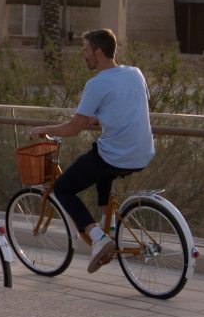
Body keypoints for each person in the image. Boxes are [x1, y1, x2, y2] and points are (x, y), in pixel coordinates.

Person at [26, 28, 154, 273]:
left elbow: (73, 129)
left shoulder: (96, 84)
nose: (83, 55)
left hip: (116, 154)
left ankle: (99, 238)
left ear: (98, 52)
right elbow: (129, 105)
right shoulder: (135, 73)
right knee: (102, 171)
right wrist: (102, 119)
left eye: (85, 50)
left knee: (63, 188)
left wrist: (43, 128)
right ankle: (112, 229)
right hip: (143, 151)